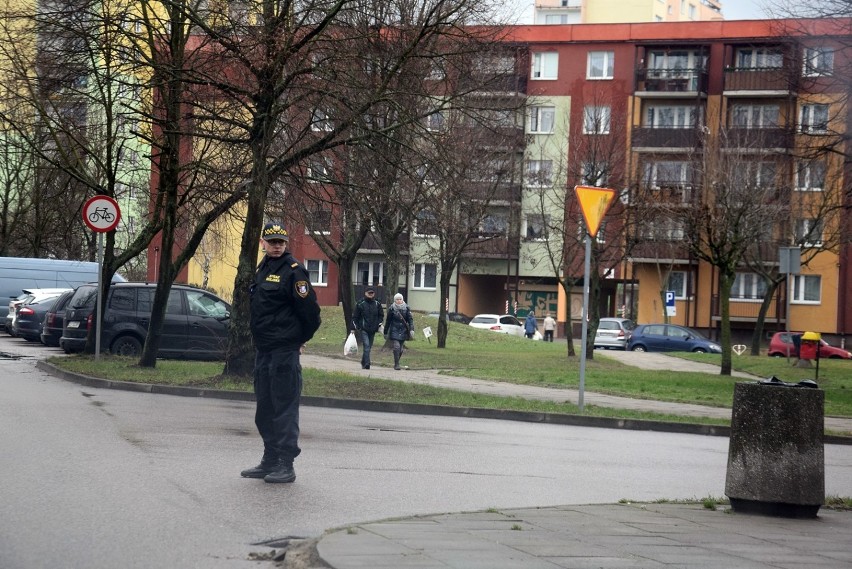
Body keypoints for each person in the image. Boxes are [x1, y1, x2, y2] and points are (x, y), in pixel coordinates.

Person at [241, 222, 321, 484]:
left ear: (286, 244)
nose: (276, 246)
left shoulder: (294, 272)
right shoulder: (263, 268)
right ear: (263, 243)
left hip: (284, 351)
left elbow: (310, 313)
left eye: (280, 242)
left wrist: (299, 339)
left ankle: (286, 464)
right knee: (265, 407)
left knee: (284, 408)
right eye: (272, 241)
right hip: (264, 350)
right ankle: (269, 459)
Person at [352, 287, 384, 369]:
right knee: (366, 346)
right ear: (365, 293)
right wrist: (357, 326)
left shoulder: (377, 304)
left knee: (369, 347)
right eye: (369, 293)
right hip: (364, 329)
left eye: (372, 293)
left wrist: (379, 323)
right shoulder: (360, 304)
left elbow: (381, 315)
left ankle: (363, 361)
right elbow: (355, 317)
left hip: (373, 329)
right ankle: (367, 363)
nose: (371, 294)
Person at [384, 293, 414, 370]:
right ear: (395, 300)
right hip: (394, 329)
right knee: (396, 347)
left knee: (400, 349)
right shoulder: (391, 308)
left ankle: (396, 362)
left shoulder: (407, 308)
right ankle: (397, 364)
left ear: (402, 299)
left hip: (403, 330)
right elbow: (388, 321)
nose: (399, 301)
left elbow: (410, 320)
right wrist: (385, 331)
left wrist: (411, 329)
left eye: (400, 299)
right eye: (397, 299)